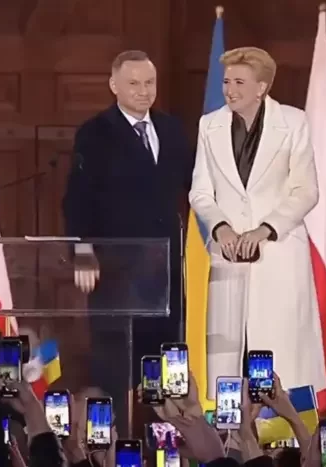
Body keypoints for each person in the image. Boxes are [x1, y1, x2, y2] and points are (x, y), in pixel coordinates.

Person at [62, 50, 194, 435]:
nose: (143, 91)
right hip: (116, 273)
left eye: (149, 83)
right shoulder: (95, 132)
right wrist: (82, 250)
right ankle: (116, 445)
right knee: (117, 367)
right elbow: (77, 199)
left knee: (163, 367)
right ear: (114, 85)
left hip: (164, 271)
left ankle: (164, 441)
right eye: (133, 83)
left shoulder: (171, 129)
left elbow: (194, 186)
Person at [187, 47, 326, 399]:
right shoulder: (209, 125)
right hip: (229, 255)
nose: (229, 90)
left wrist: (264, 229)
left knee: (282, 358)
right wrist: (221, 227)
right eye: (226, 82)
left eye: (239, 82)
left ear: (261, 87)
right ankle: (233, 430)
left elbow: (306, 191)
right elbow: (200, 193)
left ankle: (286, 427)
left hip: (278, 253)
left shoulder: (293, 122)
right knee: (230, 362)